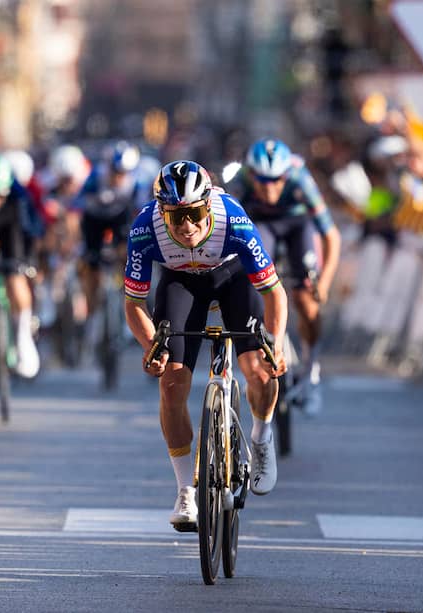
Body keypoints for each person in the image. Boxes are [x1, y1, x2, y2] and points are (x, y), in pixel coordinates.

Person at [124, 160, 287, 530]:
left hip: (233, 279)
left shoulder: (234, 220)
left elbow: (275, 293)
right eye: (177, 217)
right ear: (162, 212)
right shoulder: (144, 228)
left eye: (195, 213)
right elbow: (133, 303)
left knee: (258, 371)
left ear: (208, 203)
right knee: (171, 383)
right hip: (181, 284)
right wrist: (151, 345)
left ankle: (261, 439)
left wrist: (274, 343)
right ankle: (185, 491)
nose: (187, 226)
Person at [227, 139, 341, 415]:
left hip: (296, 225)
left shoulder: (300, 179)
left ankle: (311, 372)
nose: (269, 188)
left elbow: (330, 236)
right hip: (261, 224)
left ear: (286, 176)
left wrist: (323, 282)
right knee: (252, 280)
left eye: (276, 180)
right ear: (251, 174)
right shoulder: (239, 182)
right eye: (262, 181)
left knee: (306, 300)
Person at [72, 141, 148, 352]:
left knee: (129, 255)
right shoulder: (97, 176)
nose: (118, 177)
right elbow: (77, 203)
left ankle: (128, 307)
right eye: (116, 172)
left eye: (124, 173)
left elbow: (141, 212)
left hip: (119, 221)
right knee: (90, 264)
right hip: (94, 220)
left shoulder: (136, 183)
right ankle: (92, 312)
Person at [0, 152, 42, 379]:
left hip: (11, 231)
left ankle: (23, 338)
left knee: (15, 277)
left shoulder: (18, 197)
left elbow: (29, 233)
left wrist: (27, 262)